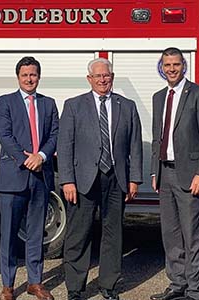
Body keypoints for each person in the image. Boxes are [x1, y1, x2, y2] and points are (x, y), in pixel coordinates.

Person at [57, 58, 142, 300]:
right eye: (98, 76)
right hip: (83, 180)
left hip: (116, 179)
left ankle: (109, 285)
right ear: (89, 79)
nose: (103, 79)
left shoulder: (127, 106)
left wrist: (134, 178)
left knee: (113, 234)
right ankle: (75, 288)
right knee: (78, 234)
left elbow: (134, 146)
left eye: (107, 75)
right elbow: (65, 146)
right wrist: (67, 181)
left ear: (112, 77)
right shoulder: (73, 106)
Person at [149, 47, 199, 300]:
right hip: (165, 173)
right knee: (171, 234)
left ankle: (194, 290)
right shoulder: (159, 96)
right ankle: (177, 284)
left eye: (176, 64)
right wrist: (154, 172)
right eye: (167, 65)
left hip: (190, 174)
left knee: (193, 235)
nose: (171, 69)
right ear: (161, 67)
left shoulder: (198, 94)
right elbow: (158, 136)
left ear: (184, 65)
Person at [0, 56, 59, 300]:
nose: (29, 79)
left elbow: (55, 134)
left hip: (40, 176)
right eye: (25, 75)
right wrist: (25, 159)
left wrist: (41, 156)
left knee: (35, 232)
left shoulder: (49, 103)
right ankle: (8, 285)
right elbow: (5, 135)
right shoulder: (5, 102)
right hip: (13, 176)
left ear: (39, 77)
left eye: (33, 74)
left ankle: (35, 282)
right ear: (18, 77)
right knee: (9, 234)